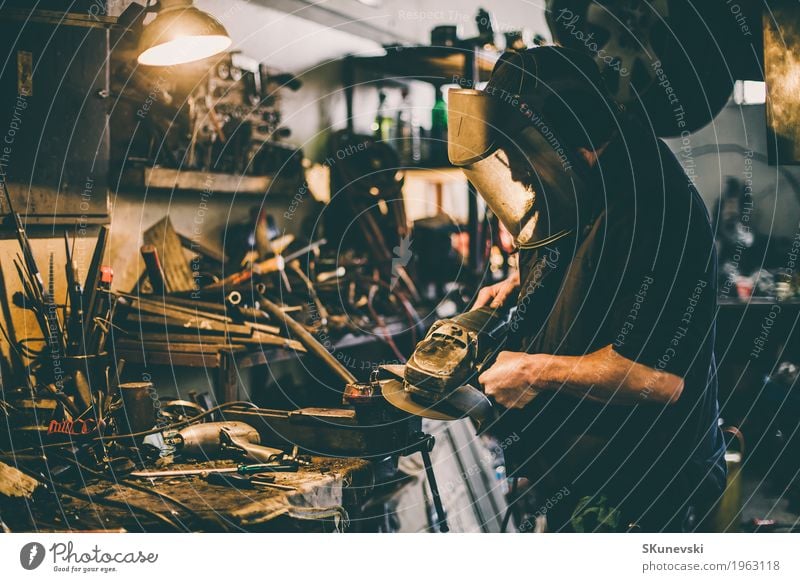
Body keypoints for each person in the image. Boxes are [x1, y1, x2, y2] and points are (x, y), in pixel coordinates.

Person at [449, 47, 726, 532]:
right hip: (576, 477)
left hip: (641, 493)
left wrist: (532, 370)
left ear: (563, 142)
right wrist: (521, 284)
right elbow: (597, 265)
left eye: (518, 153)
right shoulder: (588, 181)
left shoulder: (652, 209)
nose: (512, 173)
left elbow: (659, 380)